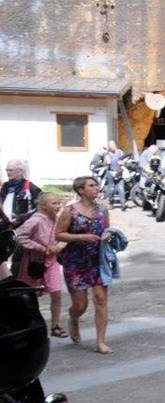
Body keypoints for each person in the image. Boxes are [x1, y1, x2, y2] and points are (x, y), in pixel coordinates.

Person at [55, 175, 113, 353]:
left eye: (96, 185)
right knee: (80, 305)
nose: (96, 188)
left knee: (101, 300)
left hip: (98, 261)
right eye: (91, 185)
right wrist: (81, 237)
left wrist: (108, 236)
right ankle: (73, 318)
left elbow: (108, 230)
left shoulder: (102, 209)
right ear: (81, 190)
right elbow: (59, 234)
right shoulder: (70, 211)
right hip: (74, 263)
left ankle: (100, 342)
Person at [15, 192, 66, 339]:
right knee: (32, 295)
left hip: (52, 261)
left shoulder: (58, 220)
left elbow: (64, 236)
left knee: (56, 292)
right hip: (33, 261)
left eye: (58, 203)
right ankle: (32, 326)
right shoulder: (35, 220)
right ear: (43, 206)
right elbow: (19, 236)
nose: (57, 206)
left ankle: (55, 326)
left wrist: (58, 247)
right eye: (54, 203)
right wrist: (39, 247)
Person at [1, 159, 41, 225]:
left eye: (10, 170)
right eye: (7, 170)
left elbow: (39, 209)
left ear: (20, 171)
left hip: (22, 226)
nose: (8, 173)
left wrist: (20, 218)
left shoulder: (31, 188)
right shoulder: (5, 186)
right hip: (4, 225)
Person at [101, 141, 126, 208]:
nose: (113, 147)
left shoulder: (120, 152)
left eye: (114, 145)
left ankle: (123, 204)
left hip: (119, 172)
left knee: (121, 187)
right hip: (110, 172)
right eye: (111, 146)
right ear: (109, 147)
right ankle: (111, 202)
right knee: (111, 188)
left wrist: (122, 163)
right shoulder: (107, 154)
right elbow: (104, 164)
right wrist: (105, 161)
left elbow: (124, 162)